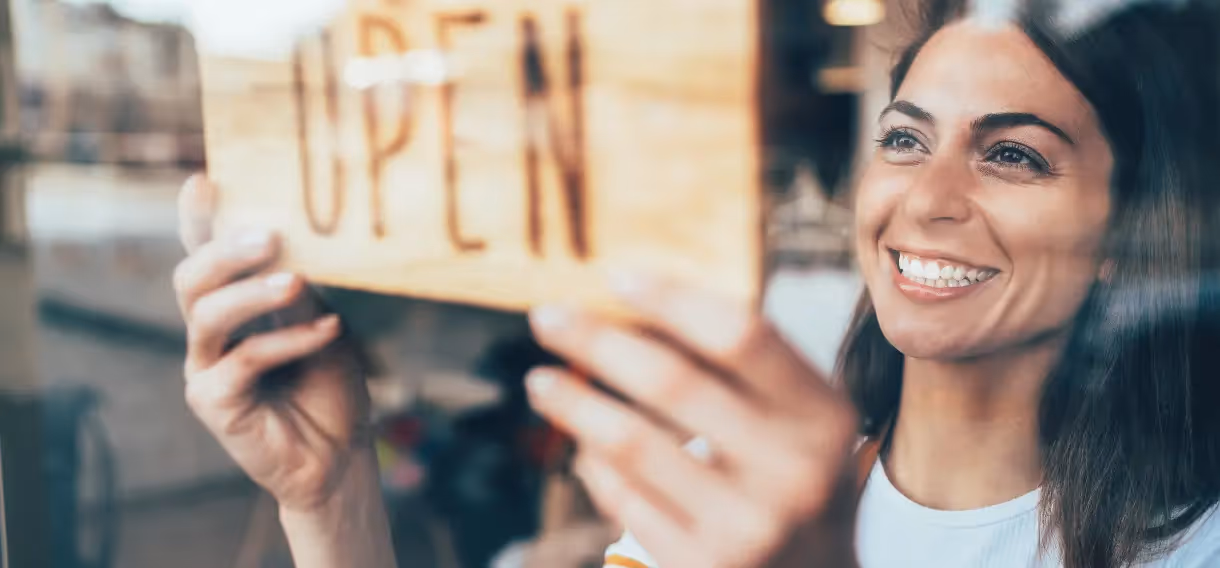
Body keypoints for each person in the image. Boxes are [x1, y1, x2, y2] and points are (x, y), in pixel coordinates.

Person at [172, 0, 1220, 566]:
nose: (925, 199)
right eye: (905, 140)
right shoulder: (728, 487)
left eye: (1012, 155)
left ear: (1129, 227)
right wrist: (332, 493)